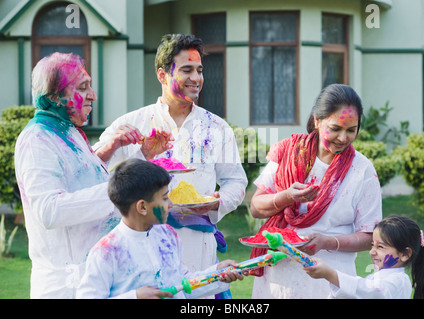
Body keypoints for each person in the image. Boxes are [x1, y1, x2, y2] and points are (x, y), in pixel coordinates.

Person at [92, 34, 248, 284]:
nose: (196, 78)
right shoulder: (129, 125)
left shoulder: (216, 127)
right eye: (187, 70)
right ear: (162, 75)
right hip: (142, 245)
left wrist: (216, 203)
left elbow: (236, 181)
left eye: (199, 70)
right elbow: (96, 174)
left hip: (199, 244)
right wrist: (139, 153)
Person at [249, 84, 382, 298]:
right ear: (317, 121)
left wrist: (326, 242)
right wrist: (286, 197)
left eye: (351, 130)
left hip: (330, 278)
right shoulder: (288, 152)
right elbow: (256, 207)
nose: (342, 138)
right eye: (335, 128)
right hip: (279, 279)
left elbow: (369, 236)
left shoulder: (363, 170)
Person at [14, 52, 121, 298]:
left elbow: (79, 177)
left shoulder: (68, 131)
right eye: (83, 87)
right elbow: (49, 210)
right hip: (65, 287)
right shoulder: (37, 140)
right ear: (55, 97)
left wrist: (112, 151)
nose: (93, 94)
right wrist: (120, 191)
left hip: (93, 280)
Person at [76, 159, 244, 299]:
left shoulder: (168, 235)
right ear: (142, 207)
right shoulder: (106, 251)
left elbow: (183, 283)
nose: (171, 204)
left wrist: (216, 274)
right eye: (165, 198)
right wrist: (135, 296)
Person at [304, 215, 424, 299]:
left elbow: (372, 292)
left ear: (405, 254)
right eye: (372, 245)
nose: (372, 252)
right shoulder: (379, 276)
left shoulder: (399, 281)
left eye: (380, 247)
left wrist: (329, 274)